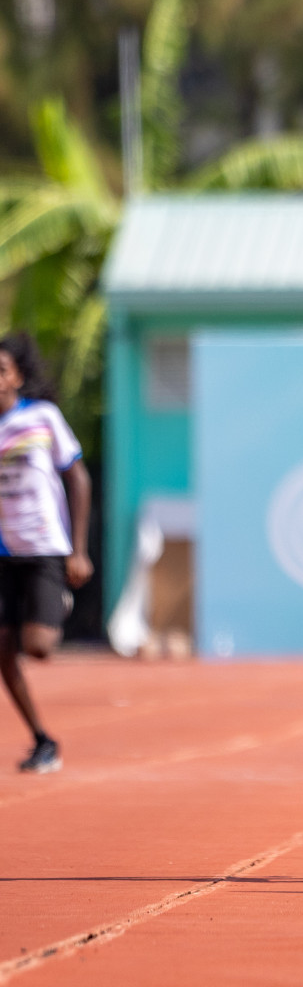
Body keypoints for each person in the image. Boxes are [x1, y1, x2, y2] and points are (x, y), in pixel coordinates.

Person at [0, 332, 93, 774]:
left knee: (37, 647)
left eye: (1, 370)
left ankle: (50, 605)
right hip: (2, 550)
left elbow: (78, 480)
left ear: (17, 376)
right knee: (2, 649)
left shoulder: (42, 418)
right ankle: (42, 738)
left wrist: (79, 550)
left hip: (42, 546)